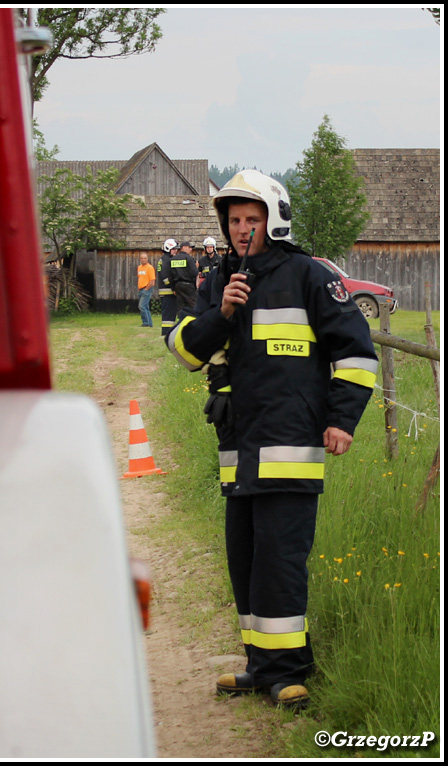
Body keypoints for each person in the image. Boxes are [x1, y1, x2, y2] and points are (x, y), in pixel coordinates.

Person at [165, 169, 378, 709]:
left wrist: (341, 420)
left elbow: (355, 354)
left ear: (274, 220)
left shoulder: (309, 276)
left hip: (292, 447)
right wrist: (223, 312)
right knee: (246, 559)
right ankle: (261, 666)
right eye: (234, 220)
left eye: (251, 219)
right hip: (239, 449)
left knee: (281, 561)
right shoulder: (218, 282)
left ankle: (287, 672)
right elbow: (186, 351)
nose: (241, 230)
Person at [157, 238, 179, 336]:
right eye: (173, 249)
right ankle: (166, 332)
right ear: (168, 248)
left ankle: (168, 331)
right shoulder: (166, 260)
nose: (176, 251)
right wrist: (173, 288)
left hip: (167, 292)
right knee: (169, 313)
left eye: (176, 249)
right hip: (168, 291)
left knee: (169, 313)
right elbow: (165, 277)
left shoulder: (164, 259)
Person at [170, 241, 198, 315]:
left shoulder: (173, 259)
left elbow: (171, 275)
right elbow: (194, 273)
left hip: (177, 286)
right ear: (184, 248)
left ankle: (181, 322)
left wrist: (173, 288)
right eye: (189, 247)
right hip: (188, 285)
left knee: (180, 307)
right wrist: (196, 267)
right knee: (193, 305)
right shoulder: (188, 258)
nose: (191, 249)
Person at [137, 251, 156, 327]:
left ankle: (146, 323)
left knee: (141, 306)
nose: (143, 259)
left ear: (147, 259)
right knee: (146, 307)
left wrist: (146, 289)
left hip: (147, 288)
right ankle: (149, 323)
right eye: (142, 258)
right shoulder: (139, 267)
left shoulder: (150, 267)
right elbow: (140, 278)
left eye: (145, 258)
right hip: (141, 288)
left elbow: (152, 280)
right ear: (140, 259)